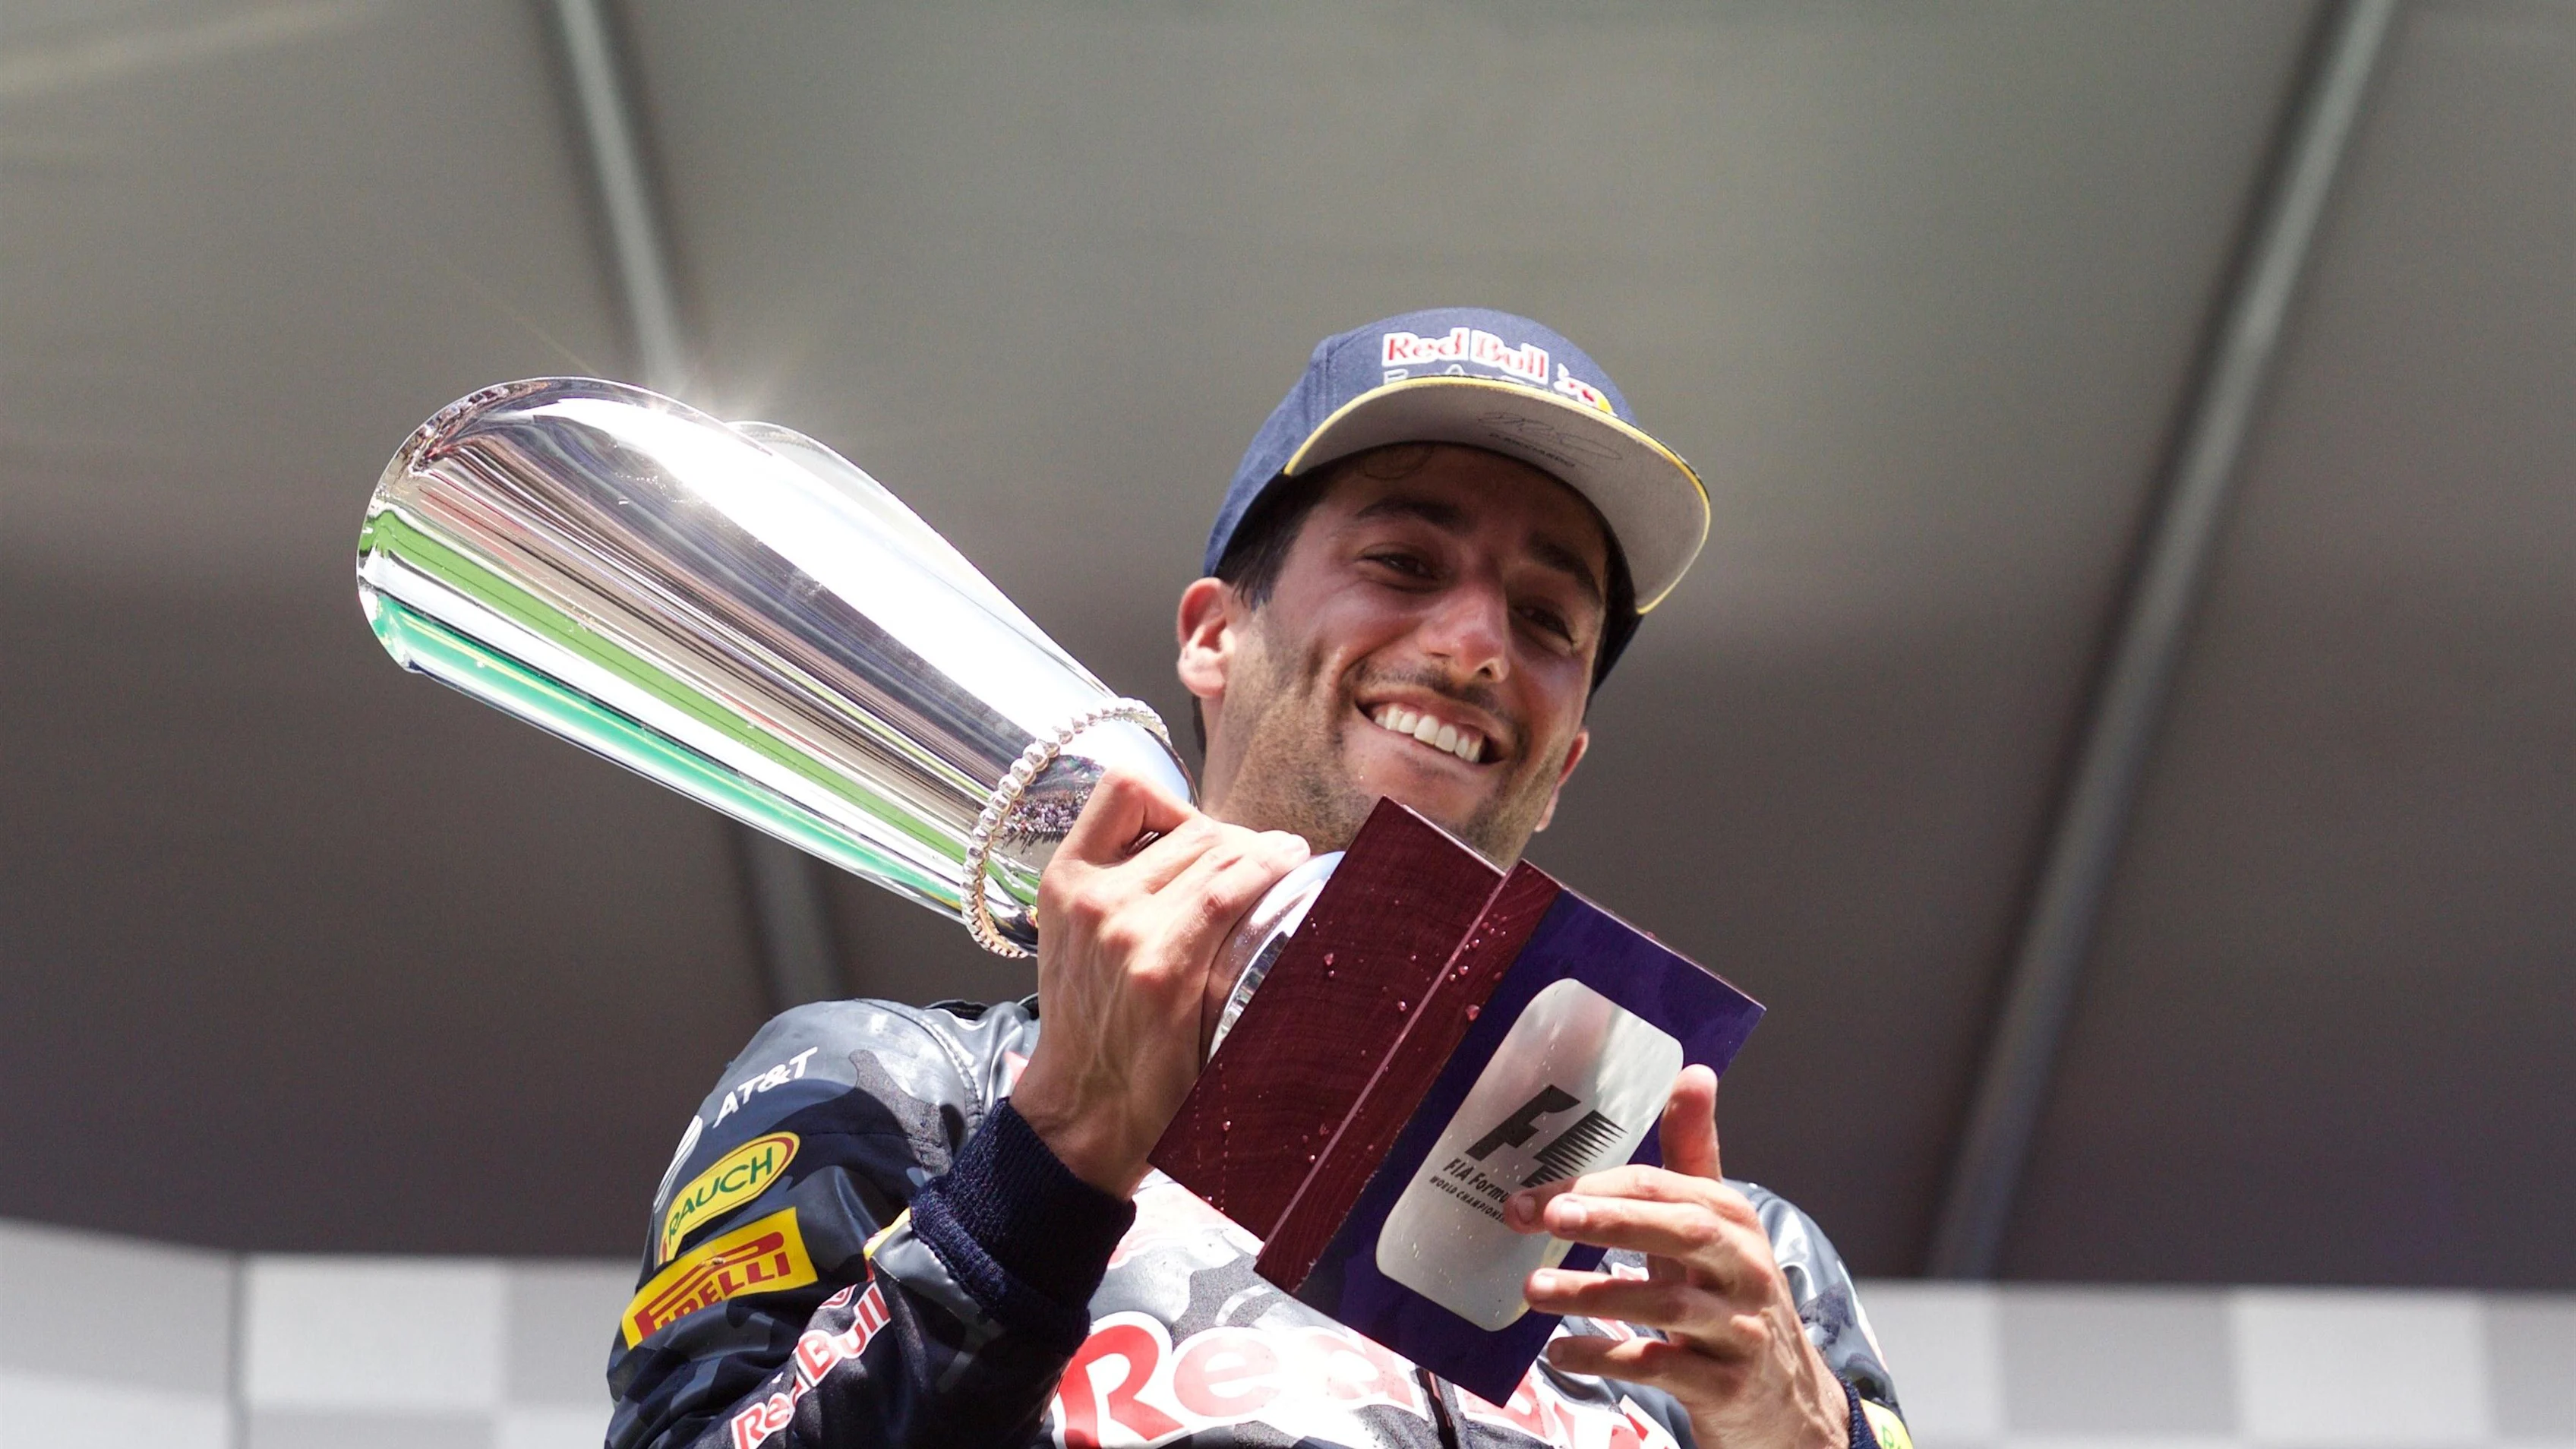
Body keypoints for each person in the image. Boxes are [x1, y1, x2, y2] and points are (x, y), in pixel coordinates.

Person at [605, 308, 1913, 1449]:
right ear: (1215, 636)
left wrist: (1798, 1429)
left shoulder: (1724, 1263)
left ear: (1563, 757)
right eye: (1405, 564)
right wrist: (1043, 1171)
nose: (1476, 644)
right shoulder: (906, 1095)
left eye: (1545, 621)